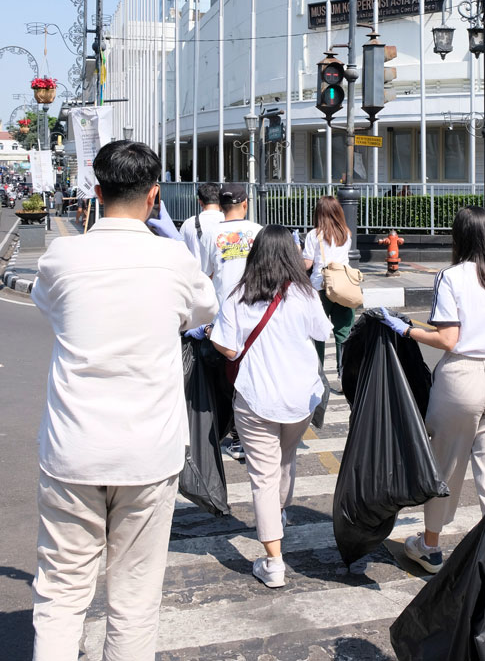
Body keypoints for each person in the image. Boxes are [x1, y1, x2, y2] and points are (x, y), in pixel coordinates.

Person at [30, 140, 218, 661]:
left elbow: (50, 309)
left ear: (96, 191)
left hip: (73, 448)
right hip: (147, 453)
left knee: (61, 592)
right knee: (135, 598)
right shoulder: (172, 258)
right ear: (155, 195)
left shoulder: (62, 256)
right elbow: (203, 312)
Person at [380, 205, 485, 574]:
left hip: (463, 376)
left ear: (459, 237)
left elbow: (447, 338)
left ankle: (429, 546)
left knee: (445, 464)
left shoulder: (453, 277)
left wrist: (406, 330)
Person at [208, 225, 332, 588]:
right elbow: (324, 332)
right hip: (301, 397)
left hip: (256, 397)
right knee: (285, 460)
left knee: (263, 475)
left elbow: (228, 349)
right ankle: (278, 515)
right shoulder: (304, 294)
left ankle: (273, 562)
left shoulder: (238, 296)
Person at [198, 183, 263, 459]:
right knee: (254, 372)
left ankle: (237, 435)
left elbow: (205, 275)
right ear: (245, 204)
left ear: (222, 207)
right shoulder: (258, 231)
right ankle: (253, 433)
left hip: (225, 315)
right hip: (258, 314)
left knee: (229, 376)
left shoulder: (210, 234)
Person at [302, 195, 354, 391]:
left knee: (318, 334)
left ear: (319, 213)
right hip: (343, 288)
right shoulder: (346, 233)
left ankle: (318, 376)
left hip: (321, 288)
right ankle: (344, 377)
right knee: (343, 333)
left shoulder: (314, 235)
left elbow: (307, 263)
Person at [180, 182, 222, 268]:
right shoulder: (228, 221)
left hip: (196, 278)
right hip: (221, 279)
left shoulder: (188, 224)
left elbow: (181, 255)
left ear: (200, 201)